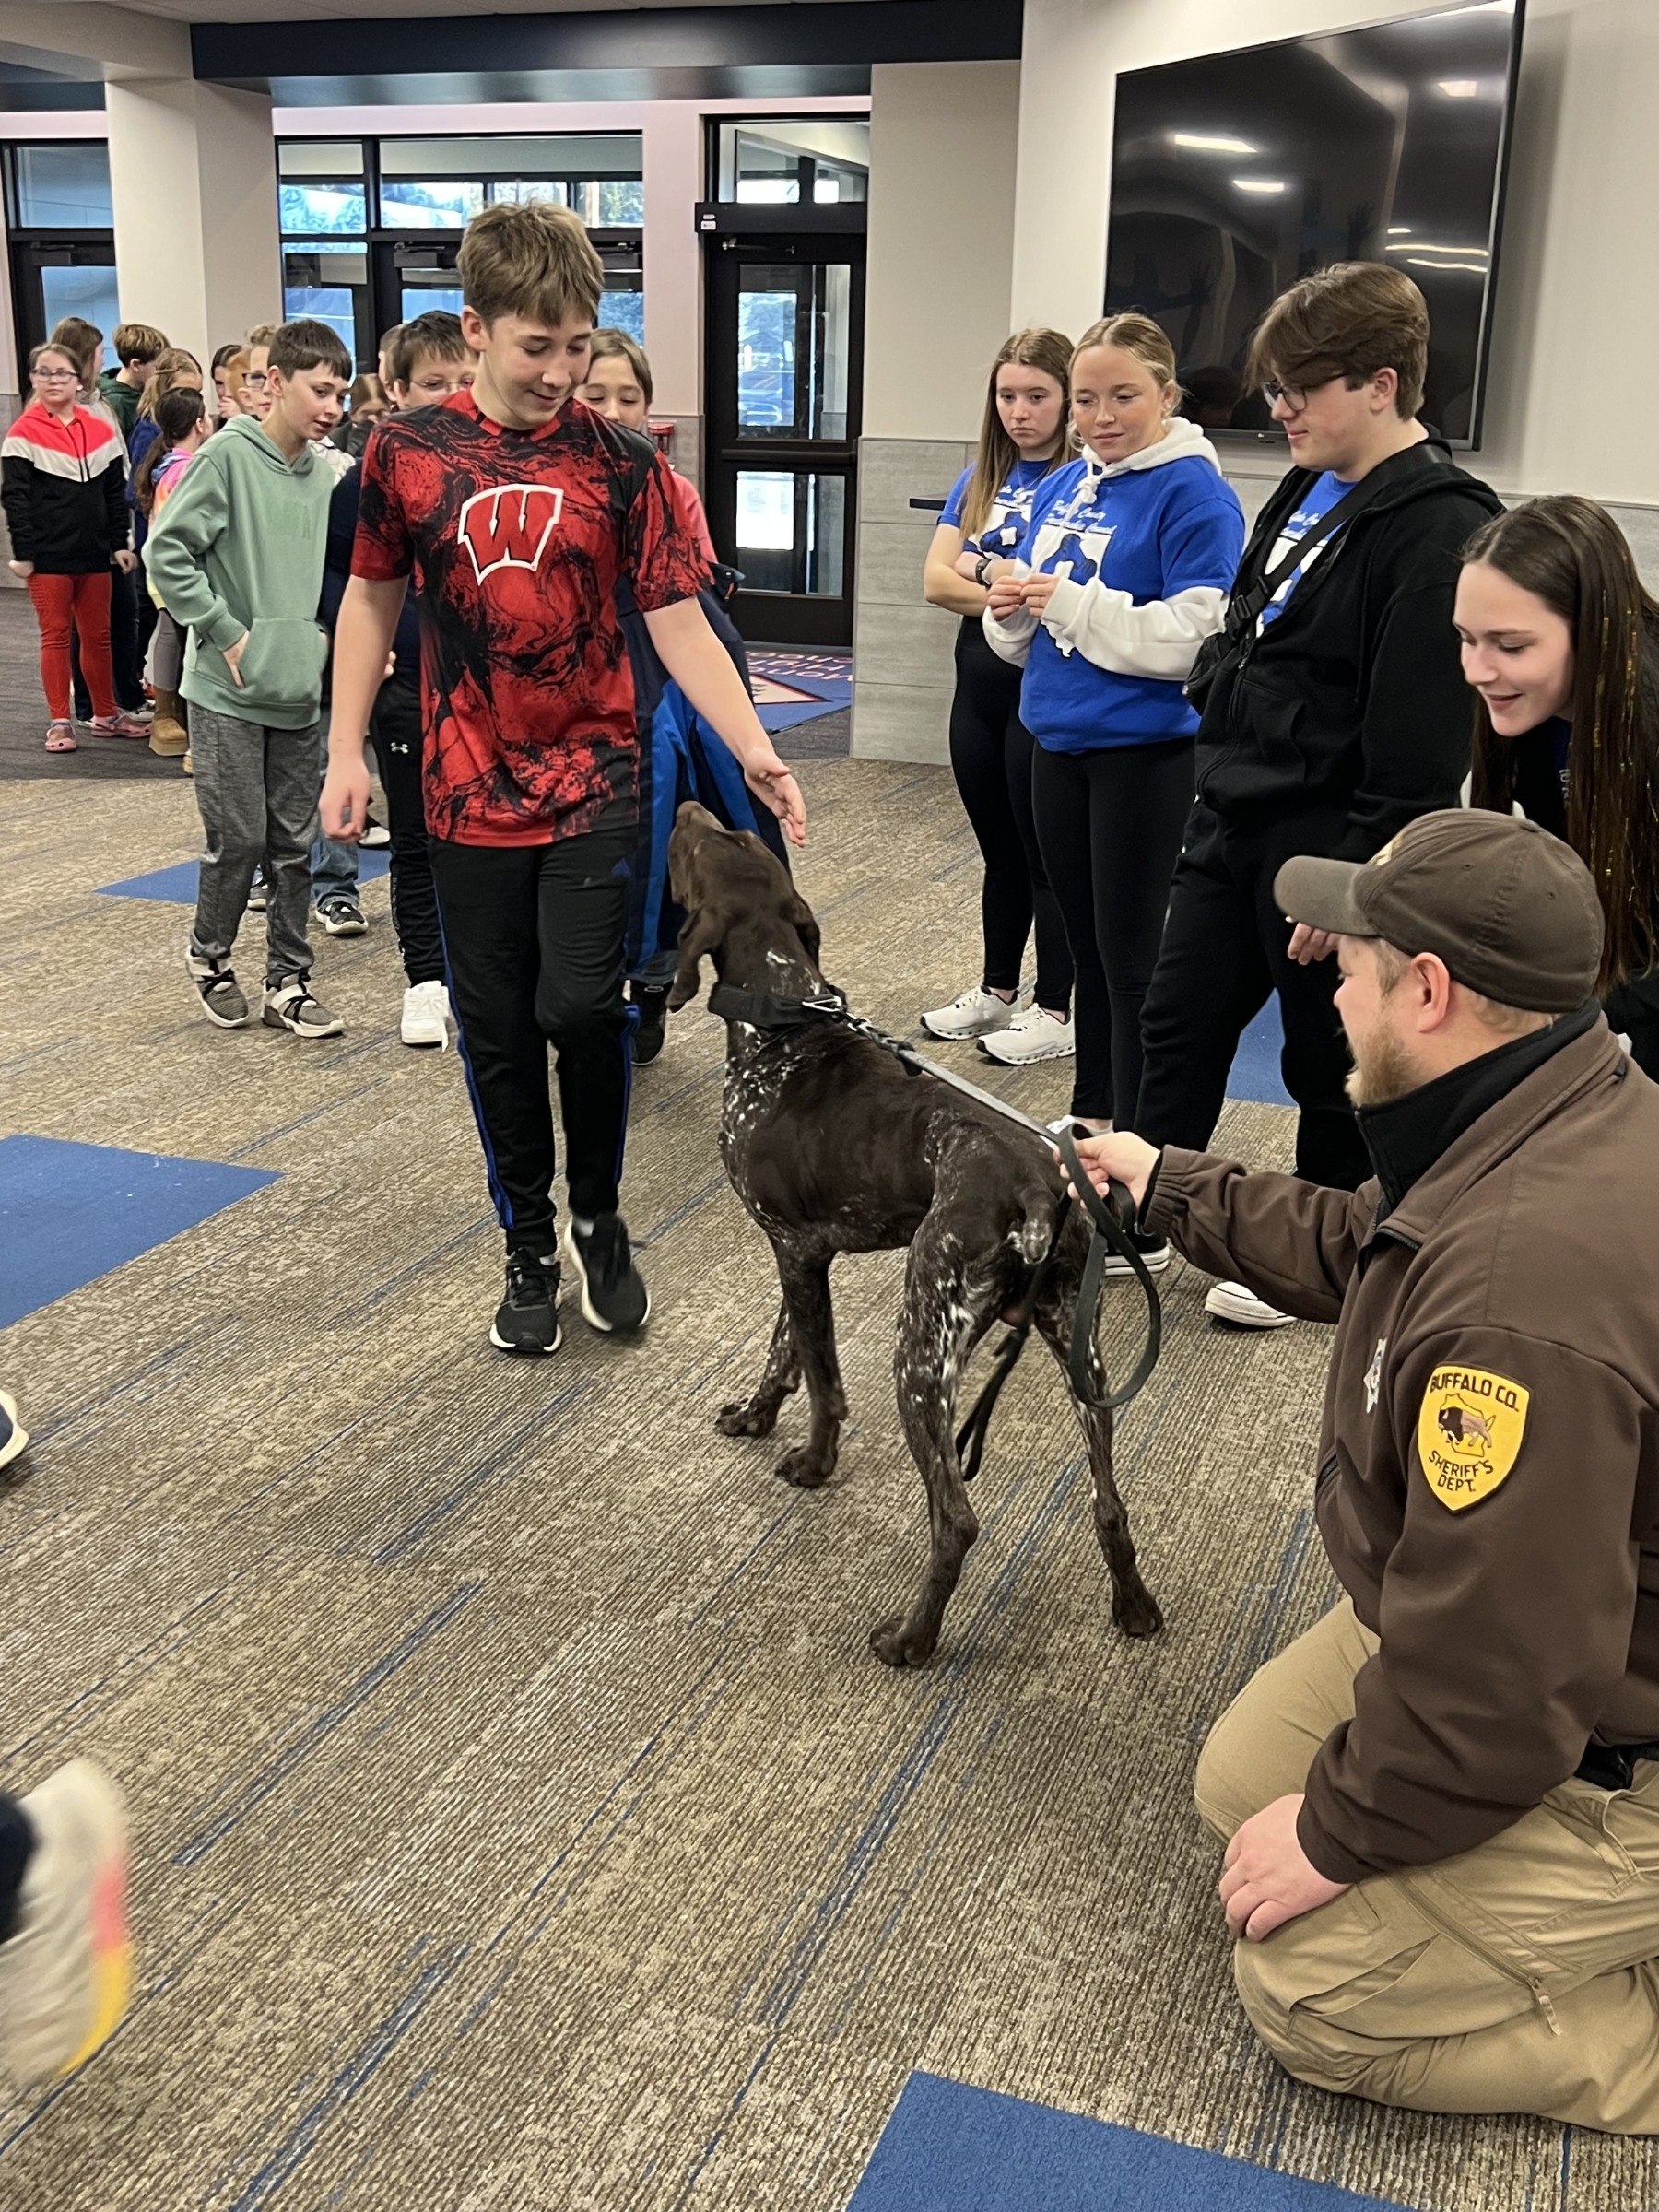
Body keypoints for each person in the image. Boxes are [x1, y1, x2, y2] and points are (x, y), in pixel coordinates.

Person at [1072, 808, 1659, 2135]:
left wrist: (1343, 1839)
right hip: (1568, 1629)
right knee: (1243, 1787)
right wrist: (1168, 1185)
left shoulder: (1523, 1306)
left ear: (1431, 992)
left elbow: (1508, 1680)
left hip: (1604, 1708)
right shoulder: (1555, 1097)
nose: (1325, 979)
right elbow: (1376, 1243)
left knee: (1315, 1991)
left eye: (1352, 963)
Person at [322, 201, 805, 1355]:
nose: (561, 369)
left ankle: (599, 1215)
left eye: (579, 344)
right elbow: (371, 600)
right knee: (494, 1024)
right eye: (537, 346)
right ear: (477, 331)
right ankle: (526, 1240)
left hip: (596, 778)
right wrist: (344, 748)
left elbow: (679, 617)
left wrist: (752, 745)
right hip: (462, 785)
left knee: (583, 1008)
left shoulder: (622, 462)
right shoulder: (406, 452)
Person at [1131, 263, 1503, 1332]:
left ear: (1382, 383)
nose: (1279, 408)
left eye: (1302, 387)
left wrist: (1353, 887)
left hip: (1331, 841)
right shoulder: (1307, 481)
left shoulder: (1438, 524)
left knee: (1327, 1058)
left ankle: (1330, 1249)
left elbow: (1421, 752)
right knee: (1177, 1021)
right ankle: (1144, 1210)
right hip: (1233, 815)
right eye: (1276, 389)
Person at [984, 314, 1244, 1191]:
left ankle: (1144, 1158)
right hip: (1056, 740)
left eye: (1123, 396)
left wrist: (1064, 605)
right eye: (1087, 398)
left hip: (1143, 754)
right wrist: (1011, 611)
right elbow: (1022, 630)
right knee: (1087, 950)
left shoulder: (1195, 494)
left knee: (1135, 962)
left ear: (1167, 396)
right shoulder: (1066, 485)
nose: (1100, 416)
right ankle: (1095, 1117)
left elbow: (1193, 639)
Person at [578, 324, 791, 1065]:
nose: (611, 409)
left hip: (670, 667)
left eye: (627, 397)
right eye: (594, 393)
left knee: (683, 811)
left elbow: (691, 602)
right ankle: (602, 982)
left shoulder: (670, 490)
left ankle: (656, 977)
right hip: (588, 675)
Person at [147, 318, 354, 1041]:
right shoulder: (228, 457)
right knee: (238, 838)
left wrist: (332, 640)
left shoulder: (327, 476)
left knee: (294, 844)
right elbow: (166, 554)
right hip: (228, 691)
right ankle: (210, 958)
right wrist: (226, 630)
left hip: (297, 689)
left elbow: (336, 576)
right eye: (320, 390)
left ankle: (288, 982)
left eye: (342, 393)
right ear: (275, 383)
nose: (333, 406)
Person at [1456, 494, 1659, 1078]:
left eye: (1511, 646)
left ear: (1593, 630)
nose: (1476, 670)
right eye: (1467, 638)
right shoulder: (1537, 715)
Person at [921, 329, 1077, 1065]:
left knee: (1047, 854)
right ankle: (998, 990)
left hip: (1039, 690)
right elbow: (934, 581)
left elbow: (1050, 596)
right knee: (999, 851)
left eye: (1037, 396)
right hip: (976, 687)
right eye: (1007, 395)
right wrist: (996, 582)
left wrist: (983, 580)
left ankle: (1057, 1007)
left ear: (1067, 398)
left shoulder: (1080, 482)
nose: (1020, 410)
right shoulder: (983, 475)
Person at [319, 309, 475, 1044]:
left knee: (489, 843)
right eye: (434, 384)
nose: (451, 396)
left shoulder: (498, 469)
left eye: (465, 381)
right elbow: (338, 578)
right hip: (407, 687)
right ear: (397, 389)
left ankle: (488, 976)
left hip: (486, 693)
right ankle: (425, 979)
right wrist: (360, 645)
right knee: (417, 839)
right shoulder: (368, 478)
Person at [1, 343, 148, 752]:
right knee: (56, 635)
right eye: (44, 373)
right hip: (47, 557)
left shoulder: (98, 429)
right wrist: (24, 552)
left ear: (78, 379)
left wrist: (119, 544)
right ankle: (59, 722)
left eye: (62, 373)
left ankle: (105, 714)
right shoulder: (22, 434)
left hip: (95, 552)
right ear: (33, 379)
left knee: (98, 636)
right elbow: (15, 498)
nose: (53, 380)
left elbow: (113, 492)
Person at [132, 384, 212, 760]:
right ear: (200, 423)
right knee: (173, 635)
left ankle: (173, 712)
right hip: (178, 571)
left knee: (173, 634)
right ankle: (168, 712)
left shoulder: (166, 464)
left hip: (163, 570)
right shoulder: (188, 470)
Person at [98, 321, 167, 441]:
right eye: (158, 366)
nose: (162, 371)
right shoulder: (115, 403)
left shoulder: (144, 389)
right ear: (136, 365)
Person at [212, 346, 250, 424]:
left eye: (233, 382)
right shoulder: (212, 427)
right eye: (219, 383)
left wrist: (240, 420)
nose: (227, 393)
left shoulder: (268, 421)